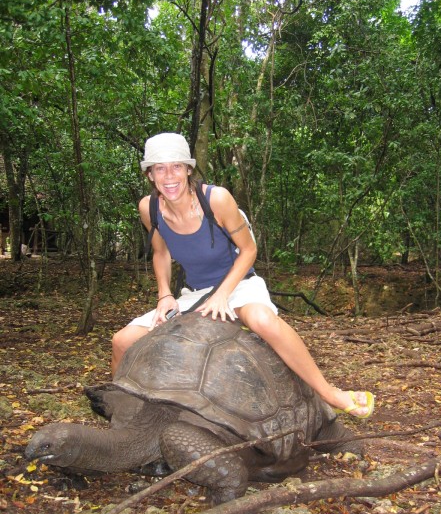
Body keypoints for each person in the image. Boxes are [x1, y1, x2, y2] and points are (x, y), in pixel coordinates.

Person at [112, 132, 375, 418]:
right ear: (150, 174)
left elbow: (249, 250)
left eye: (176, 166)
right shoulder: (149, 208)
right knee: (121, 341)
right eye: (160, 168)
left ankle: (329, 393)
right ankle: (122, 413)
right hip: (196, 294)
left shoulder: (216, 199)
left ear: (188, 169)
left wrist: (223, 295)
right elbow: (160, 252)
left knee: (262, 320)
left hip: (239, 283)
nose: (169, 176)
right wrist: (164, 294)